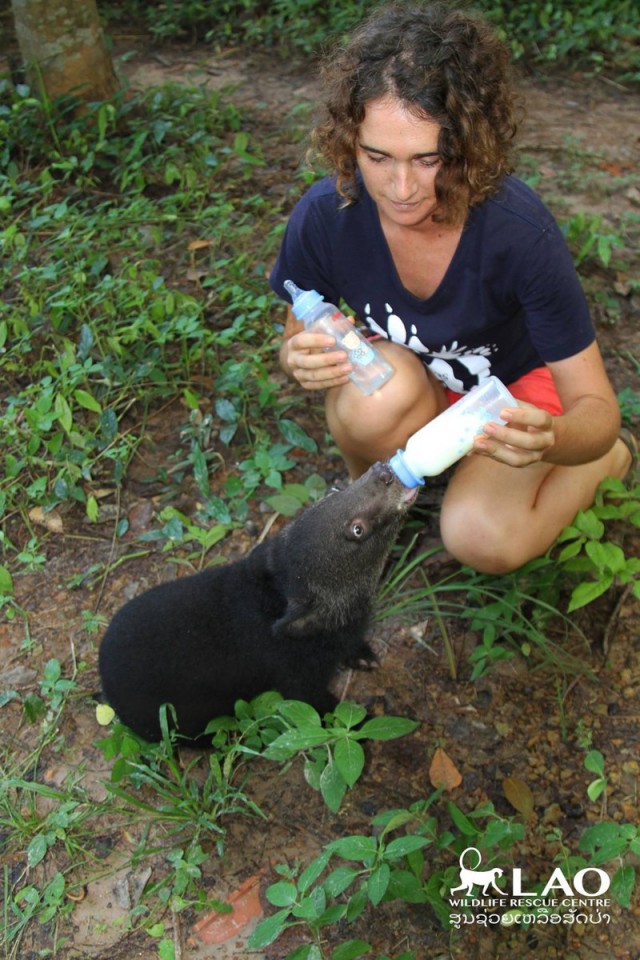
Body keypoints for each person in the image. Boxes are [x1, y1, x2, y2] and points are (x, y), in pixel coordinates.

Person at [269, 1, 634, 575]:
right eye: (377, 156)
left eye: (428, 158)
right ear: (348, 139)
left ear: (467, 143)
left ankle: (612, 465)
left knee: (479, 536)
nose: (402, 187)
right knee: (373, 400)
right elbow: (299, 329)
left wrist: (555, 439)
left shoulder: (518, 233)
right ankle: (374, 505)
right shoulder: (327, 214)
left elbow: (597, 411)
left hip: (514, 401)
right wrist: (298, 356)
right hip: (421, 387)